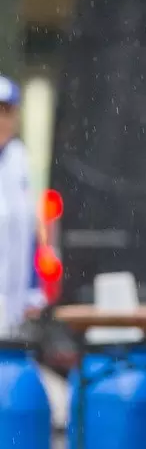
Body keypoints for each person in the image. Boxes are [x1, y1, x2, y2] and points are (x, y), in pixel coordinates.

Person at [0, 76, 45, 334]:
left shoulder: (19, 157)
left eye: (8, 112)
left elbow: (29, 229)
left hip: (13, 295)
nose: (2, 120)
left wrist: (33, 287)